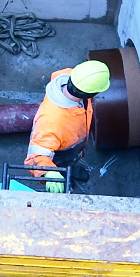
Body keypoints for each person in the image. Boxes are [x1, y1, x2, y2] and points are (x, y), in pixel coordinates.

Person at [23, 60, 111, 191]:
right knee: (62, 166)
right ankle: (65, 177)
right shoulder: (51, 121)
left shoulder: (72, 78)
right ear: (91, 94)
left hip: (74, 145)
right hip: (59, 153)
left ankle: (72, 168)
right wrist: (48, 172)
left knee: (71, 161)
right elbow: (35, 157)